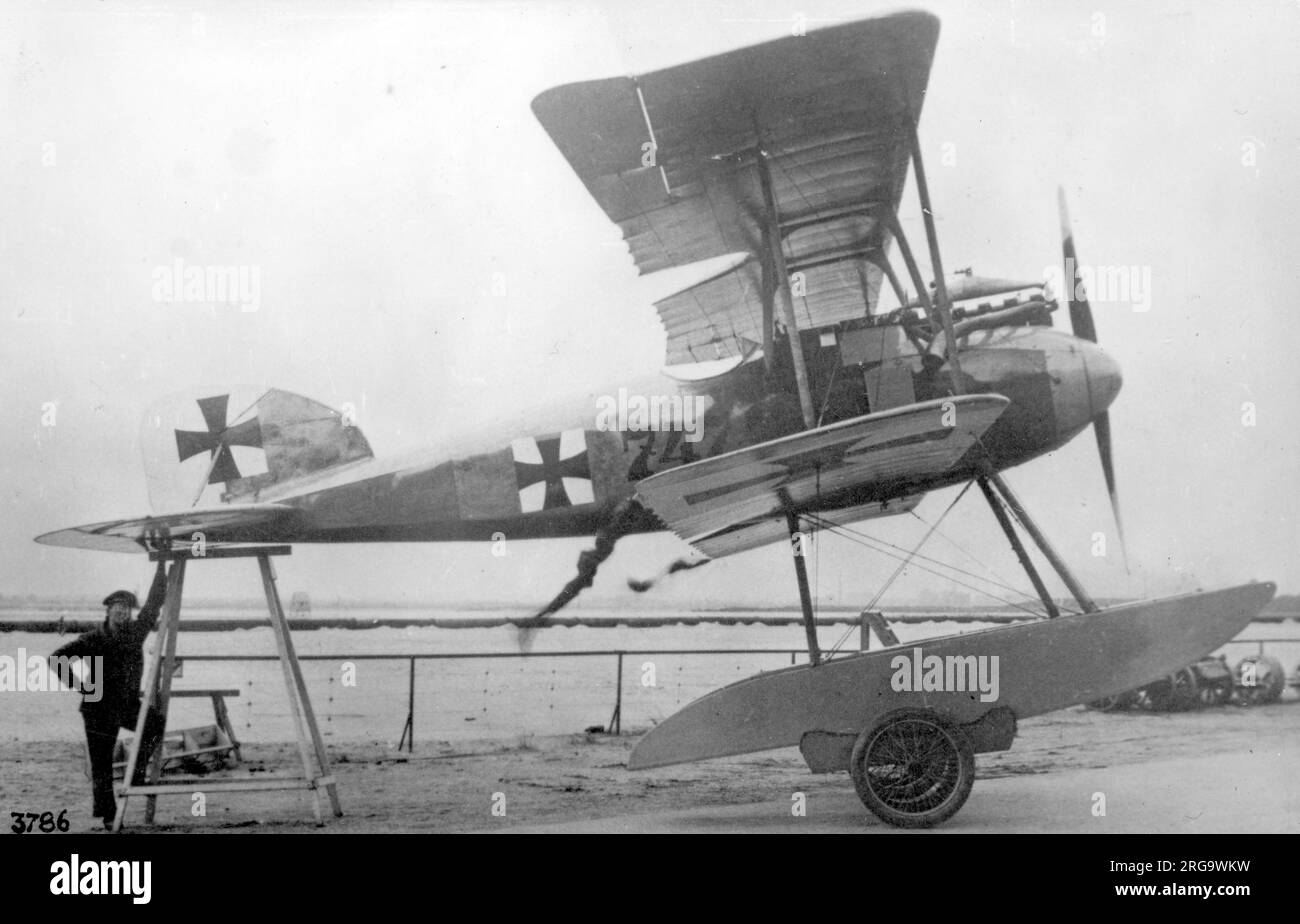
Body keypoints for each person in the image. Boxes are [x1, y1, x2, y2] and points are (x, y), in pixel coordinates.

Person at [50, 561, 169, 830]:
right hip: (97, 708)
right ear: (109, 610)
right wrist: (83, 687)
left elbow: (152, 607)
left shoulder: (135, 634)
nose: (122, 611)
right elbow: (56, 660)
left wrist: (162, 568)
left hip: (126, 704)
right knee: (102, 765)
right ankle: (108, 816)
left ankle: (137, 772)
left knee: (155, 724)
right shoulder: (92, 638)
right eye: (118, 607)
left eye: (126, 608)